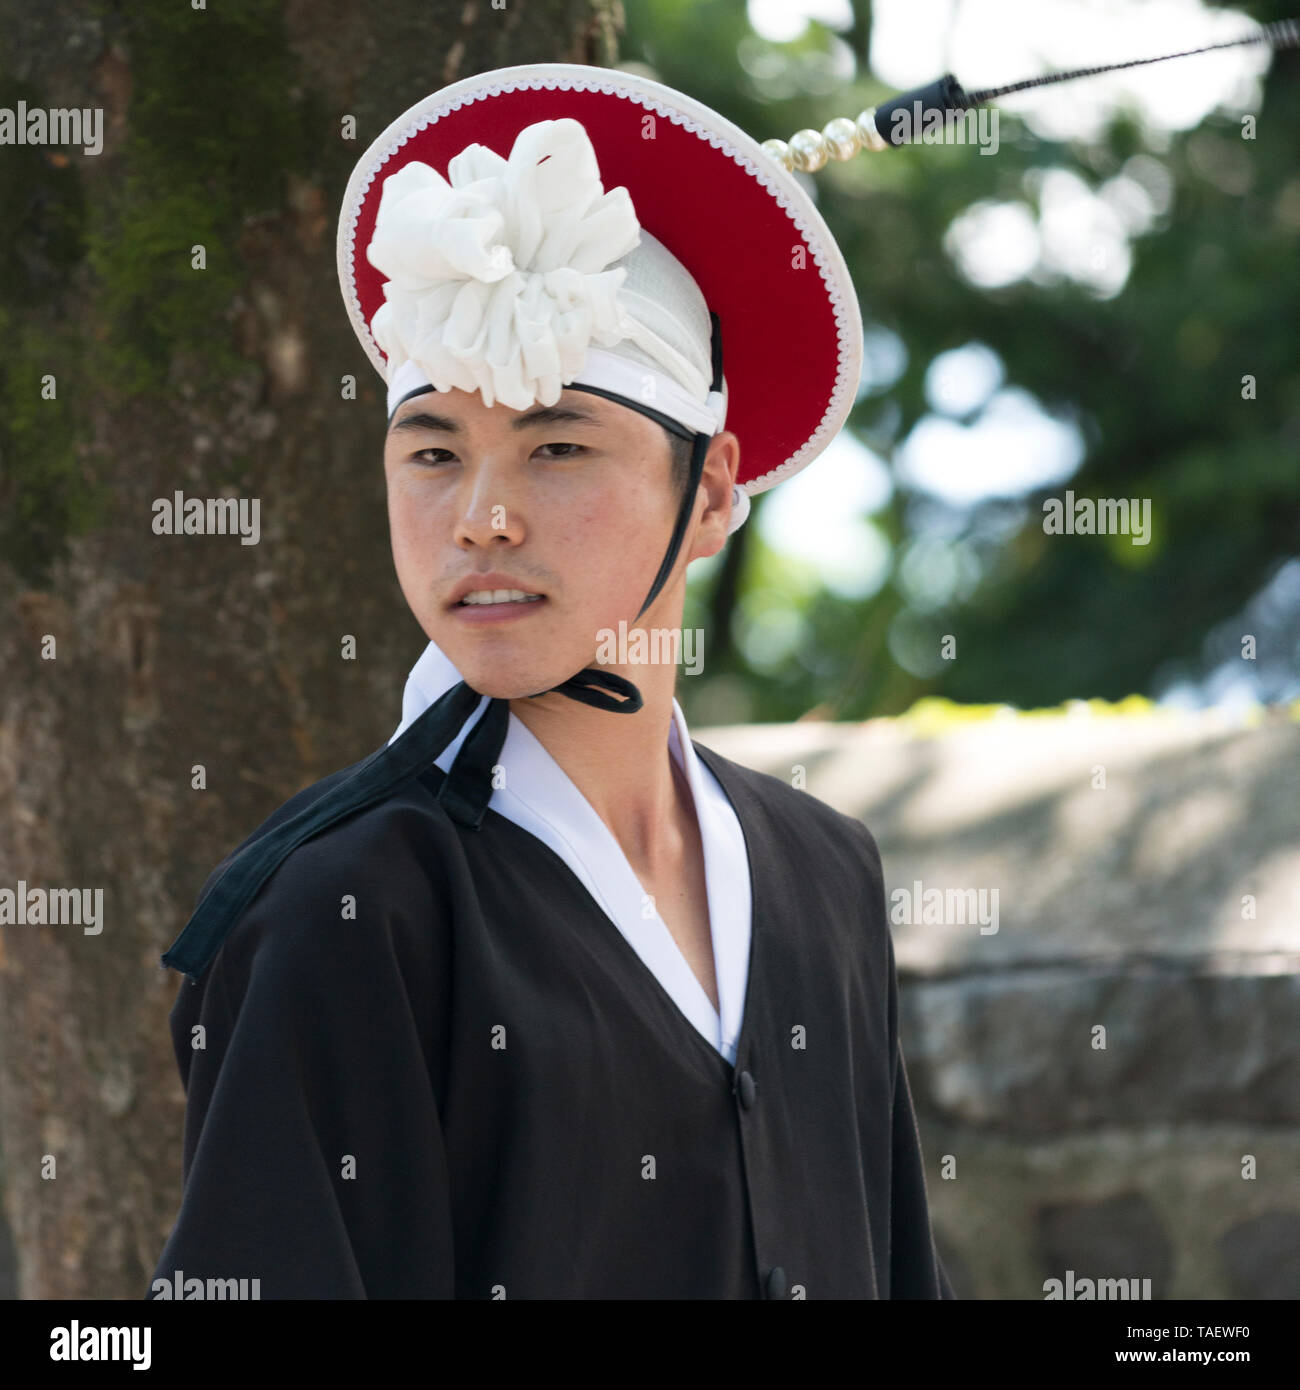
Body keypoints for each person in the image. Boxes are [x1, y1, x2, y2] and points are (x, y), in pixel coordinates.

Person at [148, 61, 954, 1301]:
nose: (482, 517)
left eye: (558, 445)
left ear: (715, 489)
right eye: (432, 451)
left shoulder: (822, 871)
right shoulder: (338, 910)